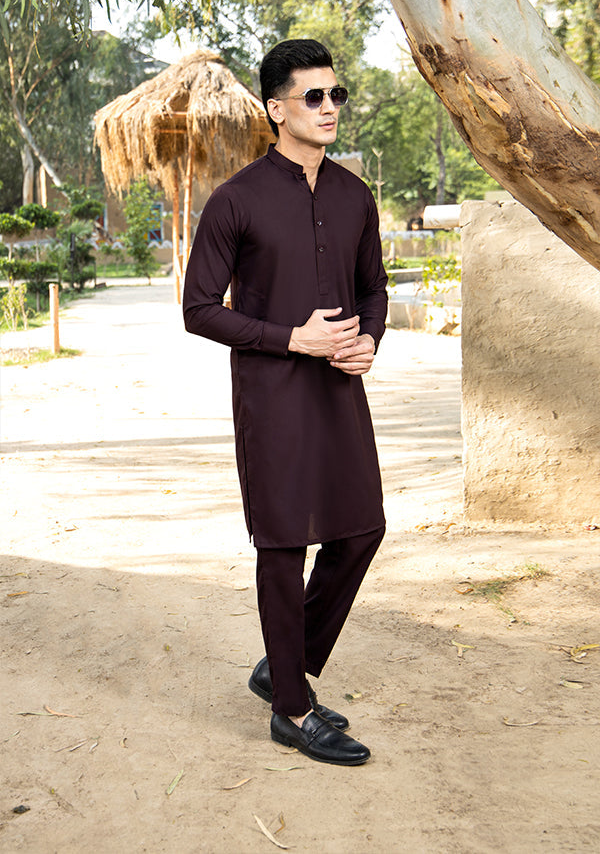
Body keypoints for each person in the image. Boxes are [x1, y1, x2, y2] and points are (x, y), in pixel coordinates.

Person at [183, 39, 387, 766]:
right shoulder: (236, 200)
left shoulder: (354, 195)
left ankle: (283, 662)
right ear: (276, 109)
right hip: (271, 396)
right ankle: (292, 711)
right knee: (283, 543)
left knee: (362, 529)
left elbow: (373, 288)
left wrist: (370, 340)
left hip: (339, 390)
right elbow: (199, 309)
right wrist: (290, 338)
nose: (330, 108)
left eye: (336, 95)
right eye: (313, 97)